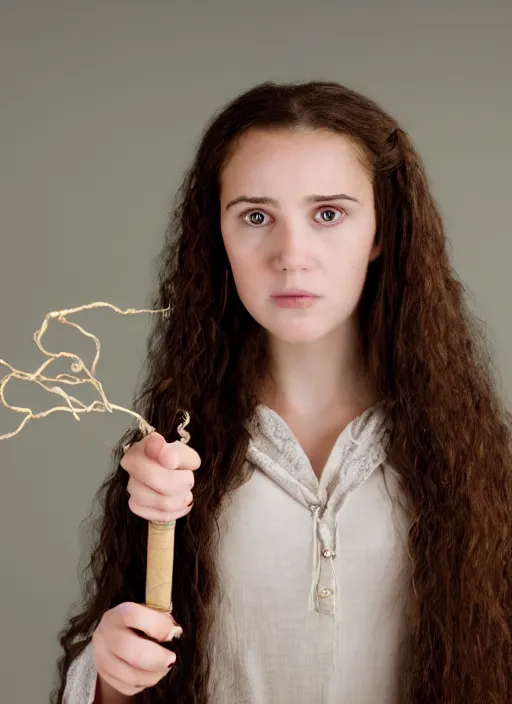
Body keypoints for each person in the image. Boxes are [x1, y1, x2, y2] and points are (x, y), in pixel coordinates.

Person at [52, 81, 511, 704]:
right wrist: (111, 669)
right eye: (256, 216)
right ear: (218, 236)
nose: (291, 256)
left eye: (328, 214)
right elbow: (128, 677)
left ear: (381, 232)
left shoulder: (465, 451)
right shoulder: (170, 454)